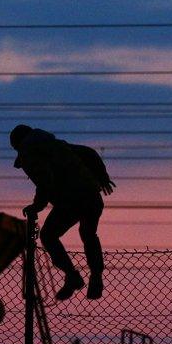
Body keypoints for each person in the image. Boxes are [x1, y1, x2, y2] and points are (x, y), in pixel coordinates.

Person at [10, 124, 114, 300]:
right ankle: (95, 276)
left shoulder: (30, 153)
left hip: (71, 201)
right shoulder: (58, 144)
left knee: (49, 236)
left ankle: (72, 276)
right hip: (91, 197)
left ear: (18, 145)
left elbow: (45, 180)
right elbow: (89, 152)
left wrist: (37, 206)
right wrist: (102, 177)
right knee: (89, 234)